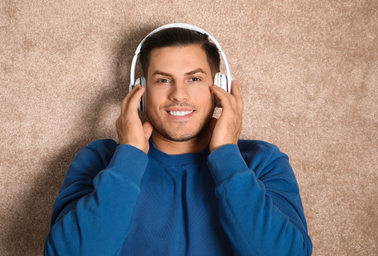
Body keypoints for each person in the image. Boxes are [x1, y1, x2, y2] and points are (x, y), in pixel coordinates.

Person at [44, 24, 313, 256]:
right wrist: (129, 157)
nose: (178, 94)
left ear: (220, 86)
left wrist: (226, 155)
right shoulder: (100, 159)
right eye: (163, 80)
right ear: (140, 90)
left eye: (194, 78)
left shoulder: (262, 161)